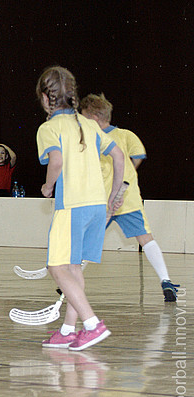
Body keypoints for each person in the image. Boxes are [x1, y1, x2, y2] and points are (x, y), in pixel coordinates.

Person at [35, 66, 126, 351]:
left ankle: (91, 323)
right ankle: (66, 330)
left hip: (71, 206)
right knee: (74, 267)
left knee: (57, 266)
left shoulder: (49, 128)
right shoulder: (89, 124)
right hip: (96, 206)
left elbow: (57, 161)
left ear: (45, 98)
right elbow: (118, 155)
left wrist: (48, 187)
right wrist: (114, 195)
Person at [79, 93, 180, 302]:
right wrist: (128, 174)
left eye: (83, 117)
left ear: (94, 118)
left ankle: (70, 283)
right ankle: (166, 281)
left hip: (107, 200)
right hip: (124, 199)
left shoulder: (98, 138)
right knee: (145, 239)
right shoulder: (126, 135)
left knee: (89, 239)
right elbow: (138, 155)